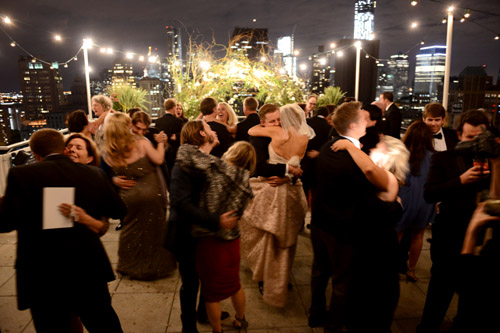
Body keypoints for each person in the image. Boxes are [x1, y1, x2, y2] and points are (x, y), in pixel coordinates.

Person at [0, 129, 125, 332]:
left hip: (42, 273)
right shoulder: (94, 173)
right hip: (87, 267)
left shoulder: (21, 175)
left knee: (52, 326)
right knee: (103, 324)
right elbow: (118, 210)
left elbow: (5, 223)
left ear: (35, 153)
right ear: (64, 149)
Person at [309, 101, 403, 332]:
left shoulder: (325, 148)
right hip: (342, 230)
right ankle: (334, 325)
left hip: (320, 224)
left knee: (319, 273)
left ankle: (315, 313)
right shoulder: (356, 160)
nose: (368, 122)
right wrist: (395, 204)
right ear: (353, 126)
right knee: (342, 282)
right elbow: (368, 199)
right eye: (364, 119)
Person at [417, 110, 491, 333]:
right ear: (459, 134)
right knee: (439, 291)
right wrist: (460, 180)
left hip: (480, 238)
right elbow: (429, 194)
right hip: (449, 235)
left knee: (472, 295)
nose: (474, 143)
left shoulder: (493, 159)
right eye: (469, 138)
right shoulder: (443, 158)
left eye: (479, 138)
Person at [165, 120, 239, 333]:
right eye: (209, 129)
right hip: (186, 233)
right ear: (202, 135)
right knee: (190, 284)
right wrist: (217, 221)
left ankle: (204, 312)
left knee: (206, 276)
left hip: (204, 234)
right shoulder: (184, 163)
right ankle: (188, 328)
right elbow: (181, 203)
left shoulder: (207, 160)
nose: (214, 131)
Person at [176, 138, 255, 333]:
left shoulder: (216, 170)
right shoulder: (246, 184)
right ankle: (240, 319)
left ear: (232, 152)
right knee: (235, 284)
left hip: (209, 239)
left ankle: (217, 330)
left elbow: (183, 153)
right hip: (232, 240)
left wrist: (207, 147)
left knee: (211, 294)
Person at [240, 103, 314, 307]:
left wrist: (288, 175)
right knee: (267, 240)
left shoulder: (285, 133)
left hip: (288, 192)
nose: (277, 124)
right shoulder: (258, 136)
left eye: (279, 119)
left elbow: (303, 165)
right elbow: (258, 166)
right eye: (272, 121)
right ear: (263, 122)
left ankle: (280, 278)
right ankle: (265, 278)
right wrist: (287, 171)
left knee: (286, 242)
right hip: (267, 192)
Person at [103, 112, 176, 281]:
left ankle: (129, 265)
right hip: (151, 192)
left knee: (130, 229)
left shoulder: (108, 150)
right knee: (154, 230)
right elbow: (158, 160)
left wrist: (114, 180)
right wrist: (159, 144)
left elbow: (108, 173)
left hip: (128, 195)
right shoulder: (141, 143)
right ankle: (154, 266)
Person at [394, 121, 436, 282]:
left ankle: (392, 266)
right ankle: (411, 270)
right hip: (424, 199)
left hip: (405, 197)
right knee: (418, 235)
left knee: (398, 233)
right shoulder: (434, 157)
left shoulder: (402, 154)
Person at [155, 98, 184, 177]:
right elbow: (182, 136)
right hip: (175, 153)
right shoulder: (178, 121)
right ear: (174, 107)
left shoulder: (158, 121)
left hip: (162, 152)